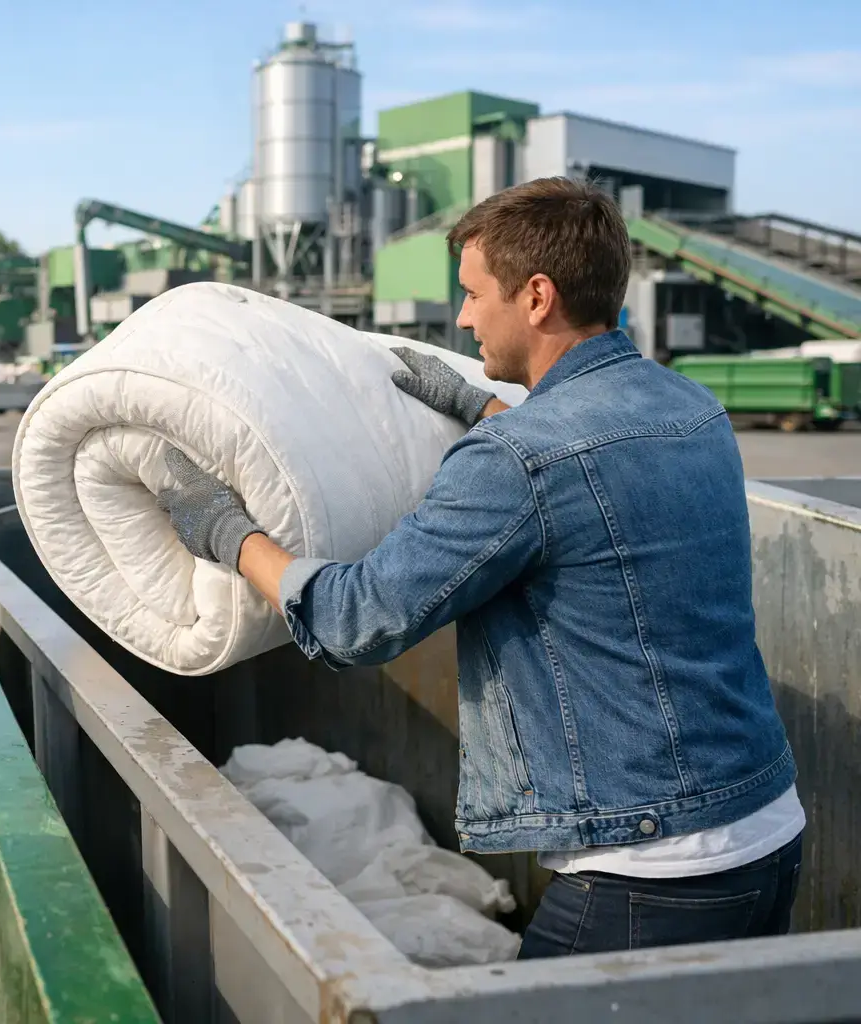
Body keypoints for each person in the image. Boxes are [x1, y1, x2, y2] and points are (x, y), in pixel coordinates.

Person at [155, 177, 802, 958]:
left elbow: (358, 620)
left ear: (537, 297)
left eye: (472, 294)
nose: (462, 318)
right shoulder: (690, 408)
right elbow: (589, 485)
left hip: (648, 872)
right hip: (764, 827)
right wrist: (480, 407)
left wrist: (227, 532)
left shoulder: (517, 460)